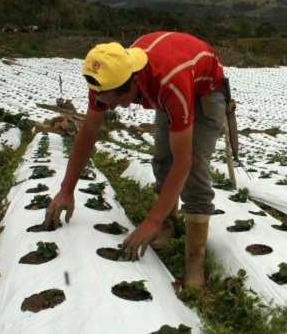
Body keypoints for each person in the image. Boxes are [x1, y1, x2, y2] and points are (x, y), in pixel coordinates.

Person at [44, 31, 228, 289]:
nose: (108, 107)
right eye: (102, 101)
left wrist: (149, 221)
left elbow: (183, 162)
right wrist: (66, 190)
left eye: (115, 102)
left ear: (132, 84)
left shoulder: (170, 83)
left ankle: (194, 262)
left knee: (194, 173)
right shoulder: (104, 80)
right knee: (162, 163)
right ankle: (165, 227)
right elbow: (88, 133)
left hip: (203, 93)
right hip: (166, 85)